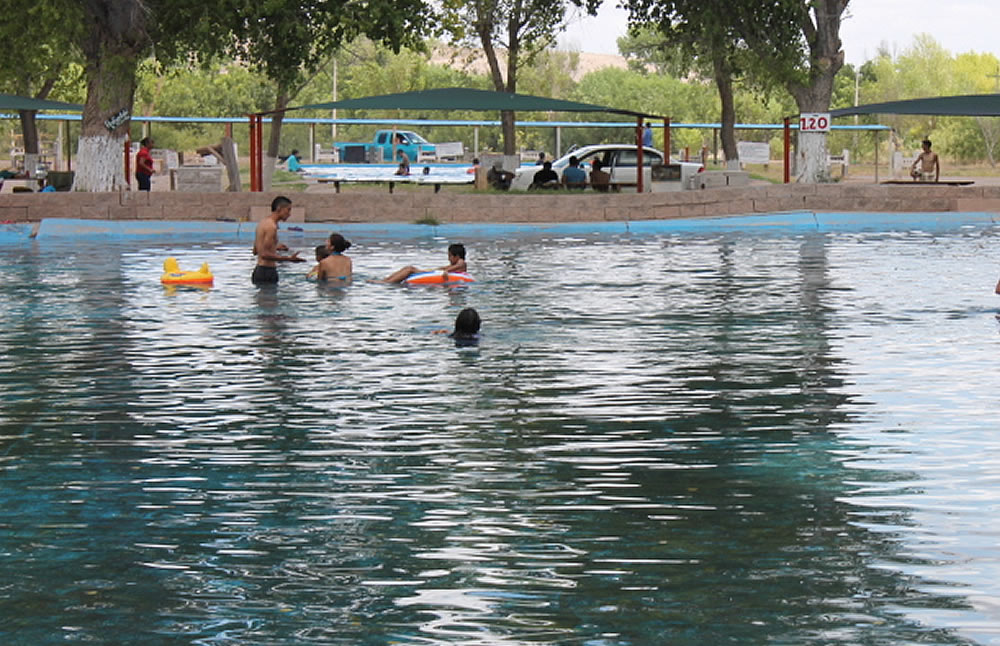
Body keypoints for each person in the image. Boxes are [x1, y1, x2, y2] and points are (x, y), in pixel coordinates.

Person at [251, 195, 305, 285]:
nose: (289, 214)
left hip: (259, 270)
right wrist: (289, 259)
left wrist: (275, 247)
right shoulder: (271, 227)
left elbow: (256, 251)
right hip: (267, 272)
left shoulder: (263, 222)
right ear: (279, 208)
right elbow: (264, 254)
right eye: (288, 210)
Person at [383, 243, 466, 283]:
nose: (448, 259)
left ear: (457, 256)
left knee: (409, 269)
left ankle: (387, 282)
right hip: (435, 272)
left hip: (438, 273)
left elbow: (458, 265)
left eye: (450, 256)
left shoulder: (461, 262)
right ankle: (386, 280)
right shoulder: (455, 264)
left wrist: (446, 271)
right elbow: (446, 268)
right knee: (409, 268)